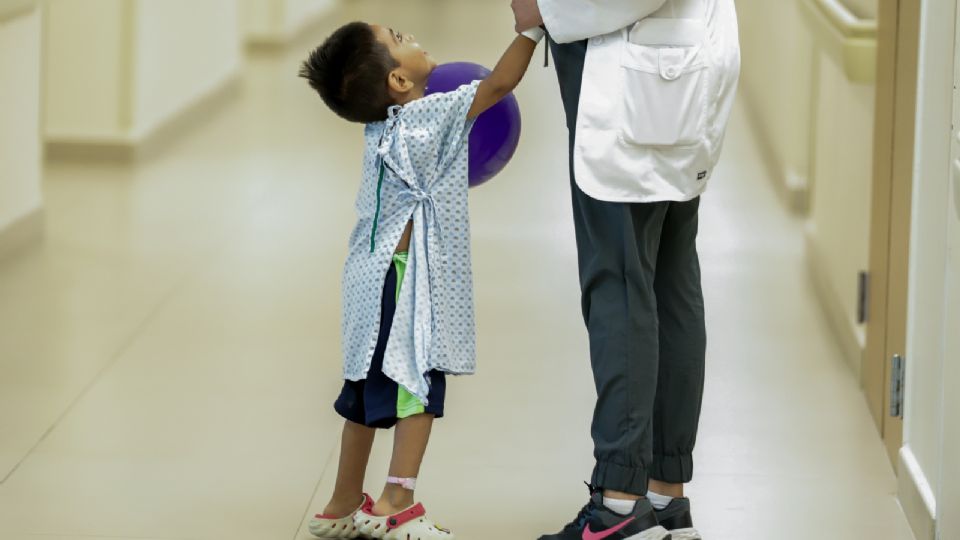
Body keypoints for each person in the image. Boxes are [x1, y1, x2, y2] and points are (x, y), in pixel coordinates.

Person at [298, 20, 544, 539]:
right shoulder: (428, 116)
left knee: (363, 394)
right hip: (408, 283)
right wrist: (531, 29)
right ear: (399, 83)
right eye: (398, 39)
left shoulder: (379, 128)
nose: (411, 36)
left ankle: (342, 502)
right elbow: (497, 86)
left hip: (368, 278)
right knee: (418, 389)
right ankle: (395, 501)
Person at [512, 0, 741, 538]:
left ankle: (618, 506)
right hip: (668, 75)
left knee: (618, 282)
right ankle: (665, 497)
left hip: (641, 85)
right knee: (668, 281)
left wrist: (542, 8)